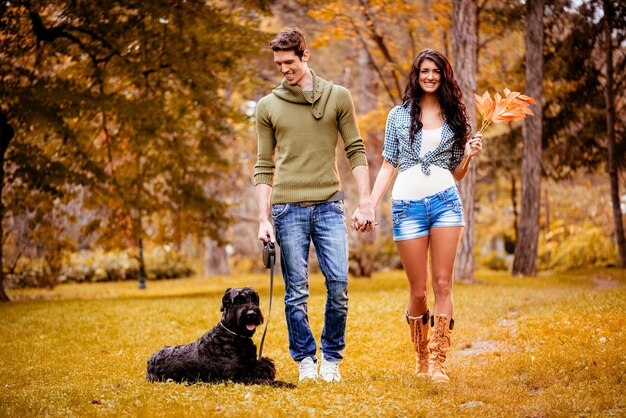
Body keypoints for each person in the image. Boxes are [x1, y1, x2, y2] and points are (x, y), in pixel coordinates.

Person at [254, 27, 375, 383]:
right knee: (296, 293)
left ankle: (332, 358)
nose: (284, 69)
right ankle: (306, 359)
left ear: (305, 55)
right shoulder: (267, 106)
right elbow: (264, 165)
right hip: (286, 210)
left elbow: (355, 149)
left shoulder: (338, 97)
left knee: (338, 284)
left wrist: (365, 201)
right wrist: (264, 219)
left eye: (289, 62)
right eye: (278, 63)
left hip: (329, 206)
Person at [362, 48, 482, 384]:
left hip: (446, 203)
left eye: (436, 71)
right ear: (416, 75)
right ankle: (420, 355)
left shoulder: (455, 117)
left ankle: (438, 361)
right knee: (419, 291)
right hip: (407, 207)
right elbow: (388, 163)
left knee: (444, 283)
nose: (430, 76)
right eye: (424, 71)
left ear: (444, 76)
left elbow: (457, 173)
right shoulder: (398, 116)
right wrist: (370, 203)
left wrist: (468, 156)